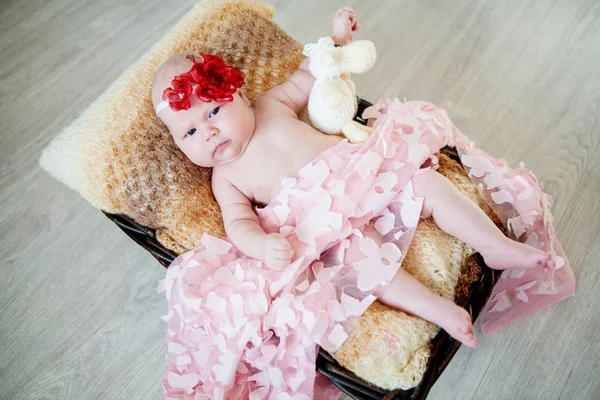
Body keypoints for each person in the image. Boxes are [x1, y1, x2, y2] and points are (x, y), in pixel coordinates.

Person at [152, 7, 553, 350]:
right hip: (324, 225)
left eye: (212, 112)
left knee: (430, 185)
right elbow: (238, 224)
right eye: (188, 133)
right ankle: (438, 310)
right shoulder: (226, 178)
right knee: (365, 266)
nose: (207, 132)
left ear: (237, 94)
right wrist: (262, 246)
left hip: (362, 175)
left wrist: (337, 39)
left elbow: (311, 73)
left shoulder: (271, 105)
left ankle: (494, 244)